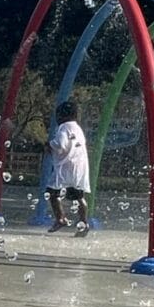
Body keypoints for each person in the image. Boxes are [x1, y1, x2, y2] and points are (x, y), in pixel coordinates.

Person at [45, 100, 90, 236]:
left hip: (65, 167)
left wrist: (49, 144)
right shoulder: (77, 128)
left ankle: (61, 218)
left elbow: (61, 145)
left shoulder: (63, 127)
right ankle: (84, 223)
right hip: (80, 166)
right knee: (79, 196)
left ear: (61, 116)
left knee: (53, 193)